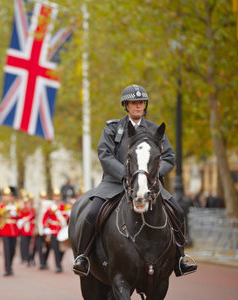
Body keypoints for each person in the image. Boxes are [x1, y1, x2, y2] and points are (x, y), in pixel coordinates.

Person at [72, 84, 197, 277]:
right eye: (133, 103)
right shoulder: (113, 129)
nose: (138, 106)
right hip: (114, 183)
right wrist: (126, 174)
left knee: (178, 211)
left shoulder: (156, 130)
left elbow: (169, 158)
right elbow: (104, 155)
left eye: (141, 103)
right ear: (126, 105)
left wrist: (150, 176)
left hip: (149, 183)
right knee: (93, 212)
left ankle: (180, 258)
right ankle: (83, 257)